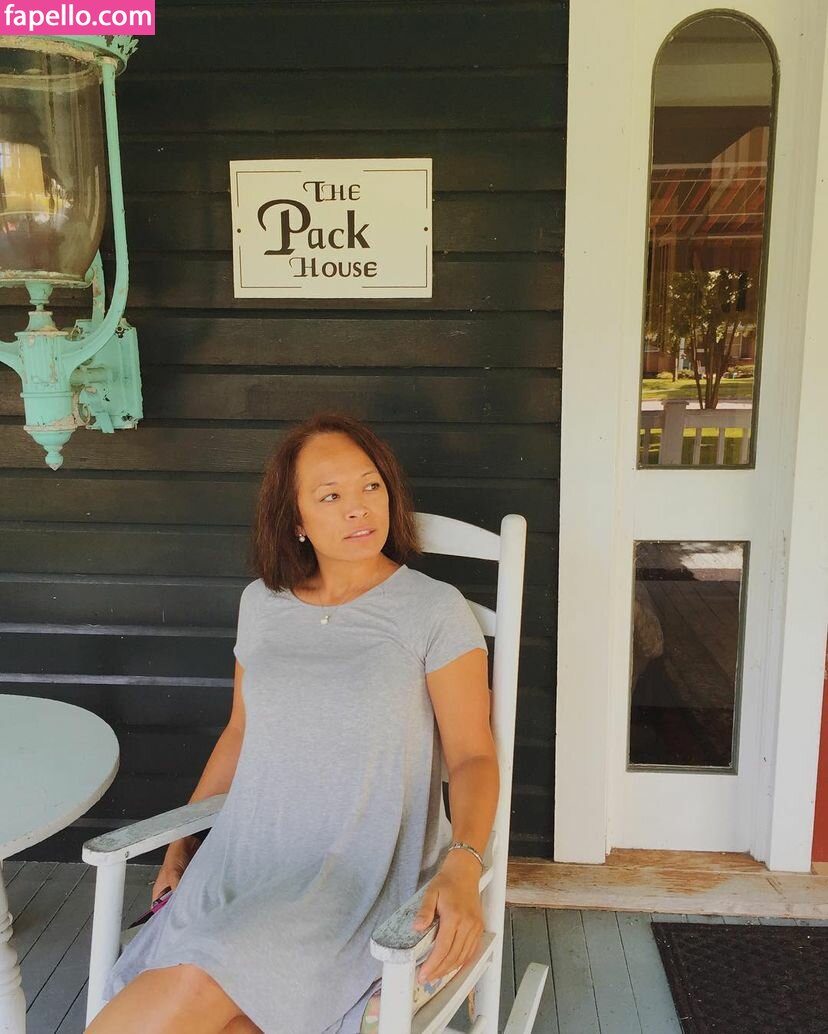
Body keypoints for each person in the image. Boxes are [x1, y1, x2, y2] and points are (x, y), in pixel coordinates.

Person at [85, 411, 499, 1034]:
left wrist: (464, 862)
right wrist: (180, 846)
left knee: (196, 977)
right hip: (244, 862)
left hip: (355, 876)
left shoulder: (434, 610)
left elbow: (473, 756)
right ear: (295, 520)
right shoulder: (262, 603)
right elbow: (240, 734)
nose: (359, 508)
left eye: (371, 486)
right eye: (330, 496)